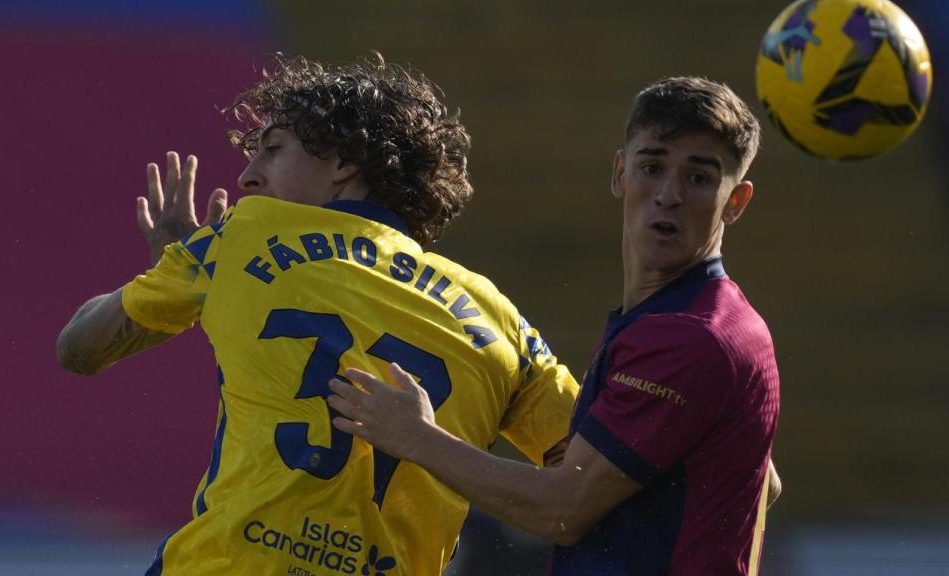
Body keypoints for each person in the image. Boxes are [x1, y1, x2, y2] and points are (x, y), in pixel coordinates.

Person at [56, 53, 578, 576]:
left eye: (272, 150)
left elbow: (77, 348)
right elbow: (580, 488)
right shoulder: (499, 316)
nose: (245, 178)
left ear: (345, 160)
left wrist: (174, 266)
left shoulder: (242, 236)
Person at [328, 76, 781, 575]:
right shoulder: (708, 317)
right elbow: (767, 481)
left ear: (735, 201)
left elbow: (561, 511)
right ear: (620, 173)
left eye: (699, 177)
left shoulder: (690, 335)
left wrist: (415, 436)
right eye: (652, 167)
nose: (668, 195)